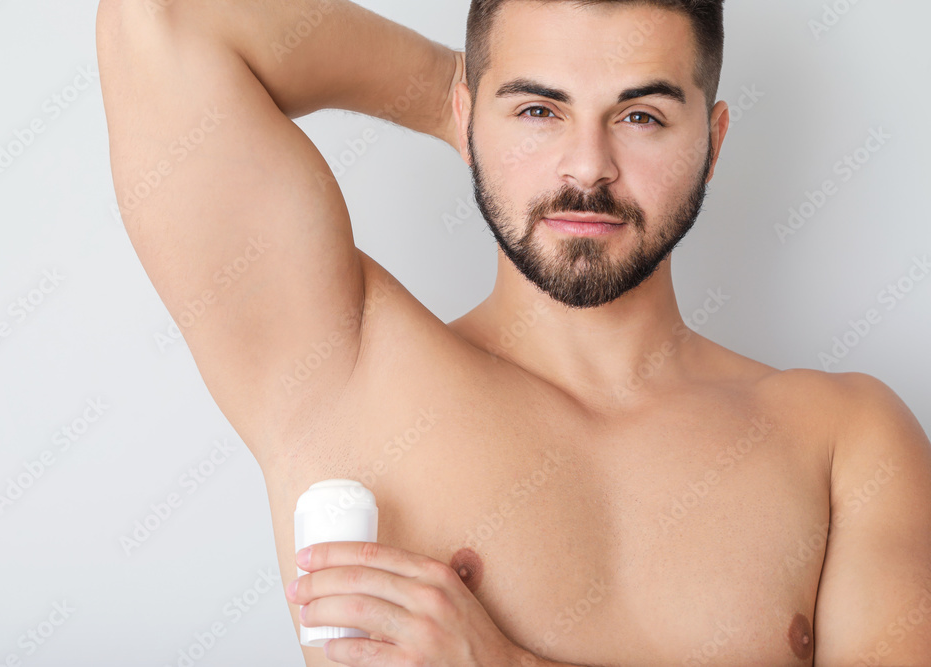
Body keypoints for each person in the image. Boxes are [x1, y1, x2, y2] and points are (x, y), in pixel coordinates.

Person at [96, 0, 931, 664]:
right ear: (470, 116)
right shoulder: (345, 366)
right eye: (538, 109)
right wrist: (439, 100)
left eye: (640, 116)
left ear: (711, 144)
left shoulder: (845, 439)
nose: (586, 166)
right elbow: (161, 17)